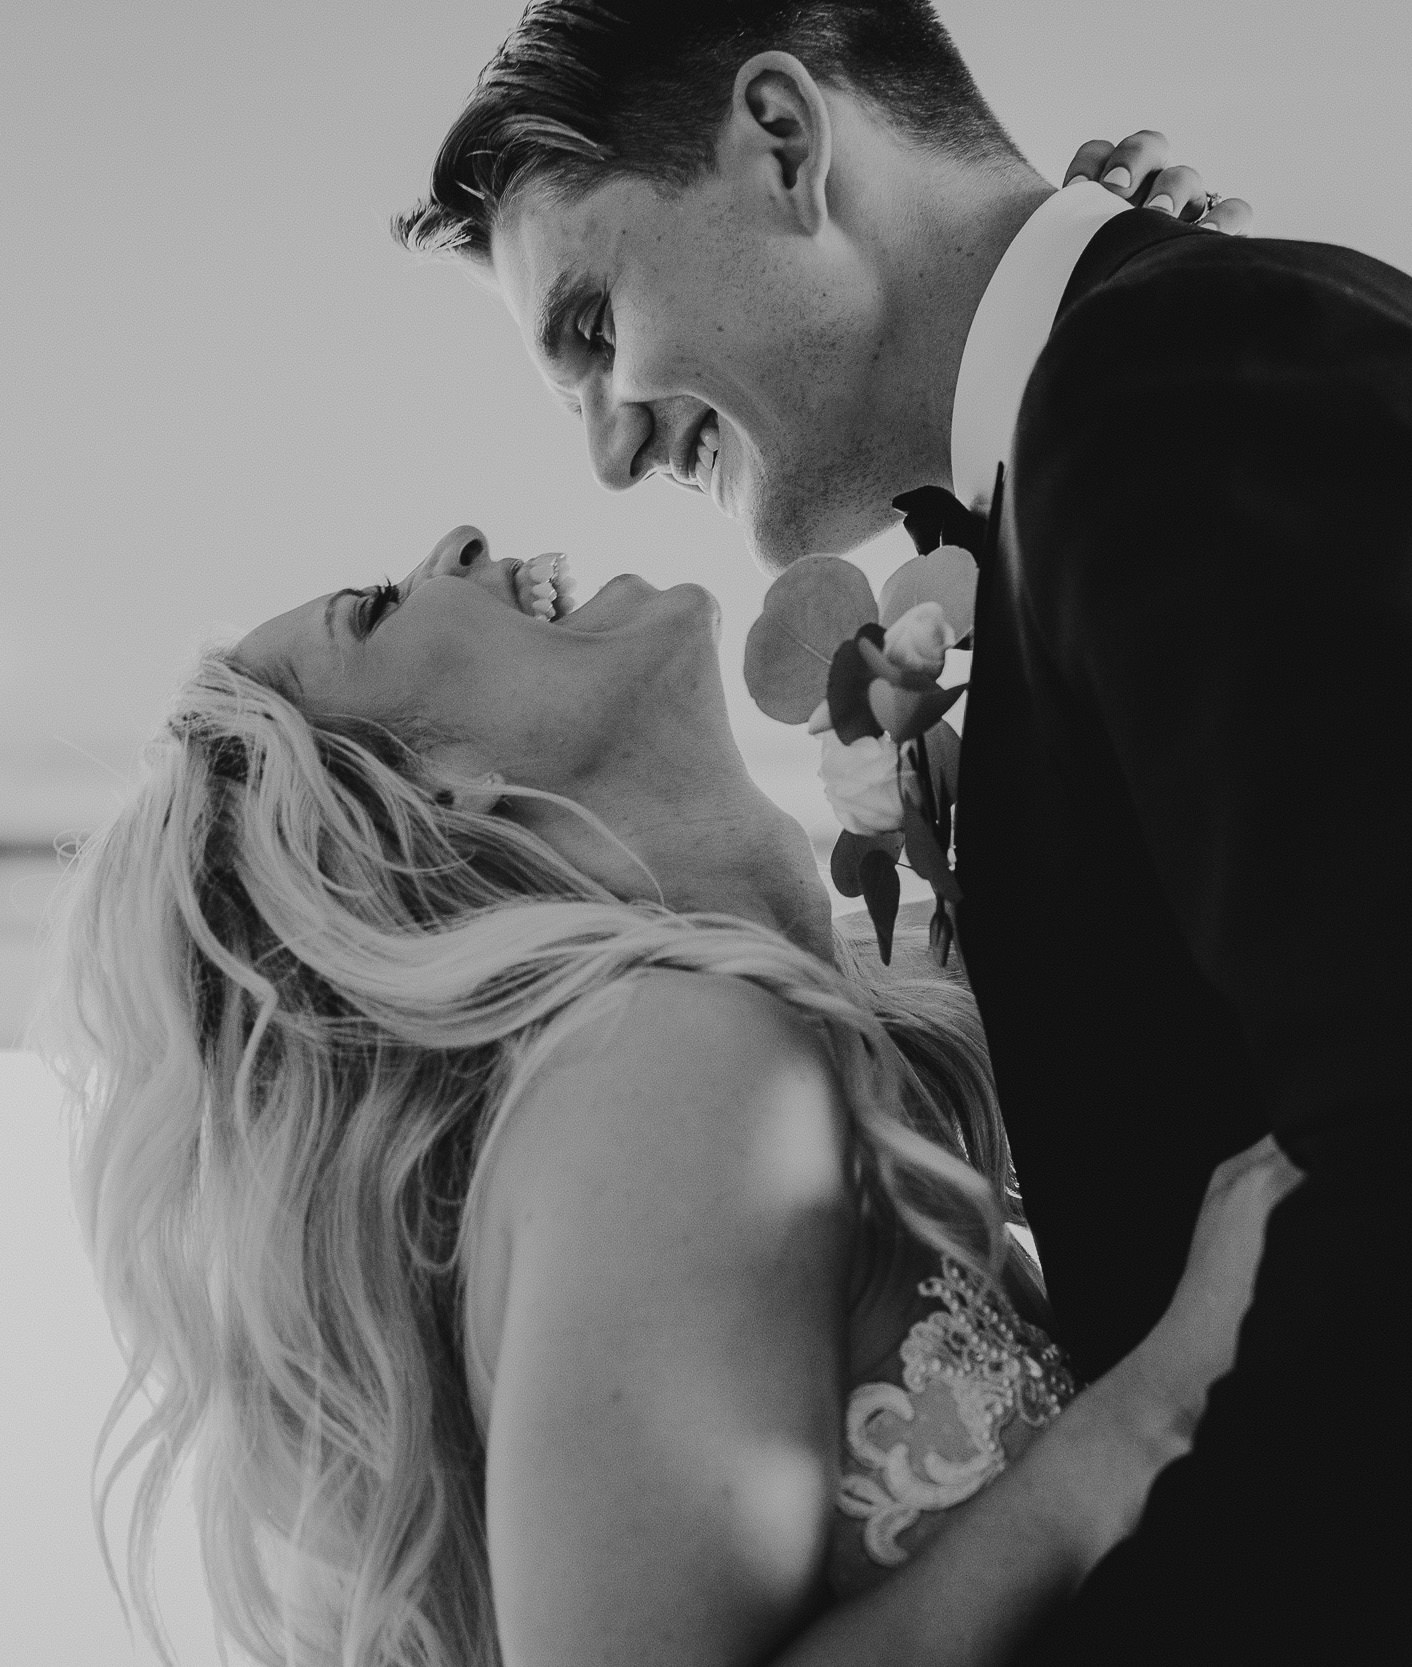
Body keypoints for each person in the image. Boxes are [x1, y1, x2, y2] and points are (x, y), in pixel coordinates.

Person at [390, 3, 1408, 1660]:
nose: (606, 439)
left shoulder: (1170, 391)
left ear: (785, 141)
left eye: (593, 321)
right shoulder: (1123, 414)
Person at [50, 527, 1294, 1667]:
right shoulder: (661, 1061)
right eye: (375, 607)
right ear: (430, 799)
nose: (461, 545)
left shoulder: (689, 1059)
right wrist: (1154, 1405)